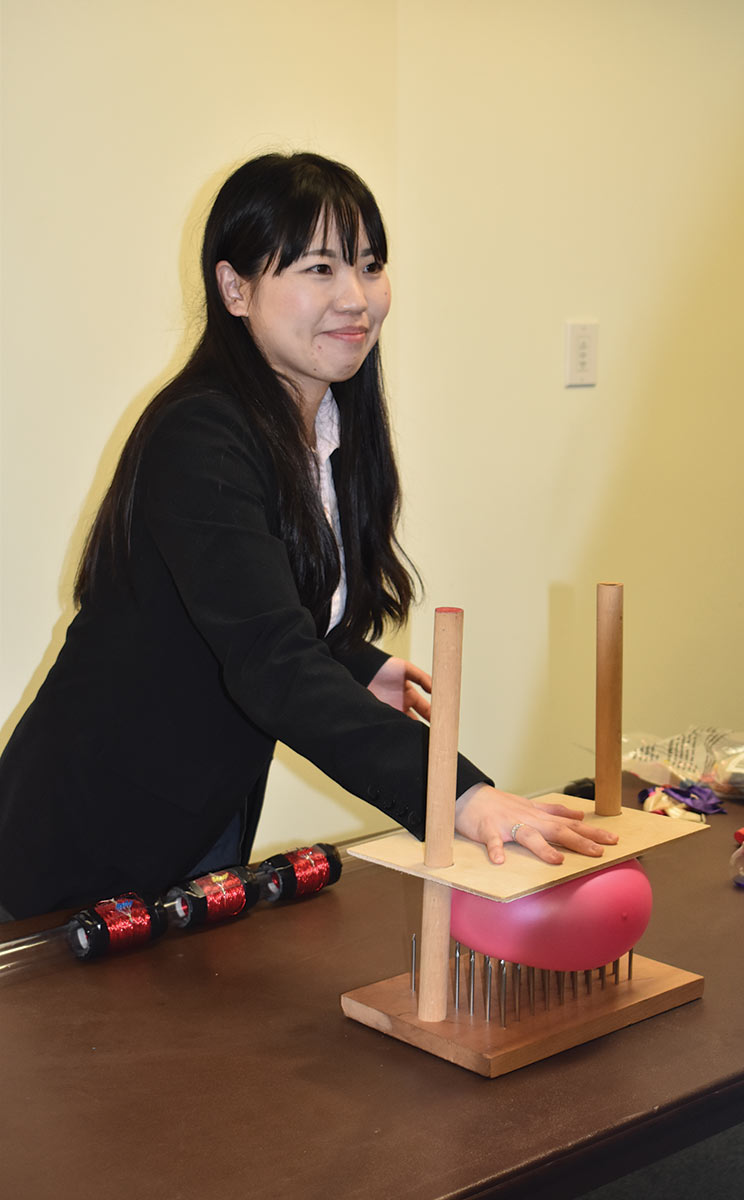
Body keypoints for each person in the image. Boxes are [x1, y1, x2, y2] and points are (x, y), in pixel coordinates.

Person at [0, 152, 616, 920]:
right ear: (235, 288)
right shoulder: (201, 433)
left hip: (201, 812)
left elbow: (255, 600)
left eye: (369, 265)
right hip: (83, 837)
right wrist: (456, 792)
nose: (356, 298)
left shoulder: (324, 421)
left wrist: (351, 662)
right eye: (319, 268)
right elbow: (267, 659)